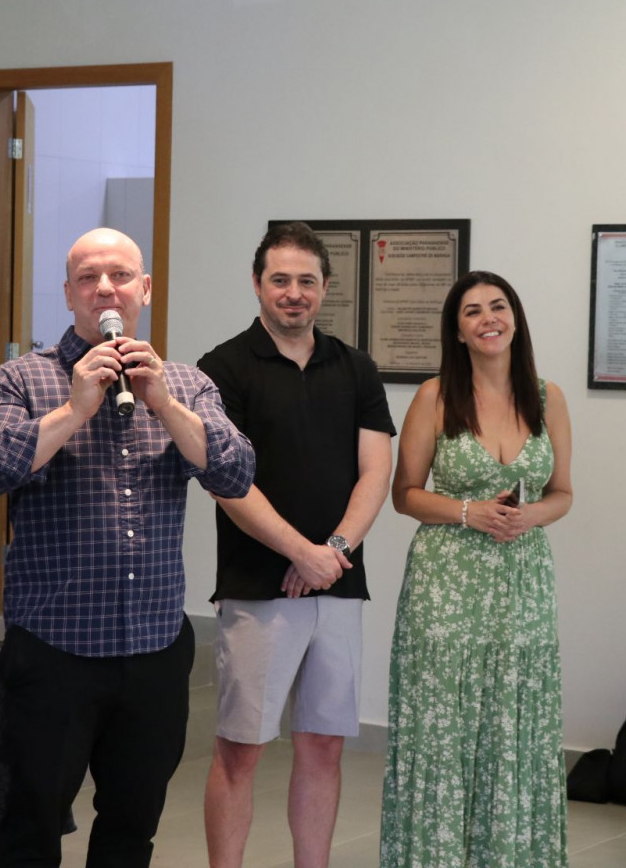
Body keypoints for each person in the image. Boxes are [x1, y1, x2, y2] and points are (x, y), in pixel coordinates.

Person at [0, 227, 255, 867]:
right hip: (54, 651)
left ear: (144, 289)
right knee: (29, 828)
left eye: (120, 276)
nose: (105, 289)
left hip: (153, 650)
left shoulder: (185, 384)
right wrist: (72, 410)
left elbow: (235, 472)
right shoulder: (22, 379)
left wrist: (165, 406)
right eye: (88, 278)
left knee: (131, 828)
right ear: (68, 293)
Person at [197, 223, 394, 868]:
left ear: (325, 287)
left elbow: (376, 471)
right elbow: (226, 482)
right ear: (257, 284)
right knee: (241, 750)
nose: (293, 293)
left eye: (306, 281)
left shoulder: (356, 367)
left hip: (338, 584)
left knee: (323, 745)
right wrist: (299, 554)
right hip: (259, 587)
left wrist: (330, 551)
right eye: (280, 279)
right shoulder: (222, 368)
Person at [379, 270, 574, 868]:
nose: (488, 319)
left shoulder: (548, 397)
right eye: (472, 311)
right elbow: (405, 494)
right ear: (458, 331)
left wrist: (531, 515)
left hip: (523, 581)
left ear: (515, 318)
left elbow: (563, 493)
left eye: (498, 307)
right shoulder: (435, 396)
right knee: (444, 729)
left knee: (514, 724)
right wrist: (469, 512)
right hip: (447, 582)